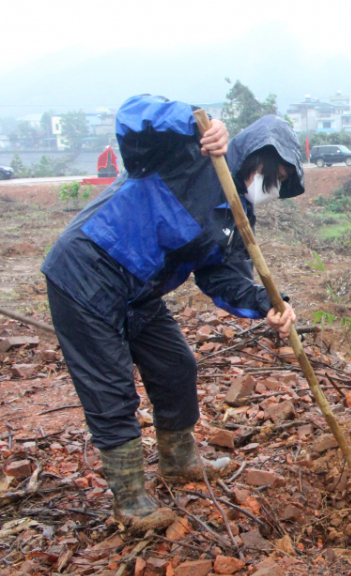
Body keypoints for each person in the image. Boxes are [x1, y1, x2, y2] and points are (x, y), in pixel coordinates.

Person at [42, 95, 304, 532]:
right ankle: (129, 502)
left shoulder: (236, 217)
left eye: (280, 181)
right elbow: (131, 114)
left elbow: (222, 279)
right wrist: (194, 123)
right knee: (111, 388)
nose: (272, 185)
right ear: (254, 156)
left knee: (176, 365)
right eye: (272, 174)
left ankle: (178, 461)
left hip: (138, 293)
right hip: (87, 272)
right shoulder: (186, 154)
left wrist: (268, 305)